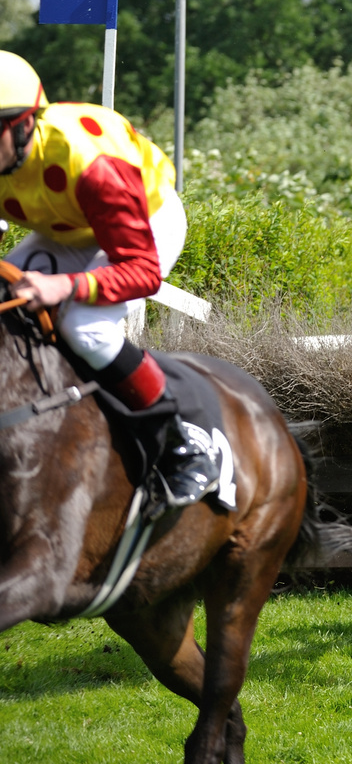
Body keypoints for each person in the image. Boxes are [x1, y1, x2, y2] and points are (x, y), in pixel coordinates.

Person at [0, 51, 221, 511]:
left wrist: (64, 287)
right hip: (66, 225)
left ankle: (183, 442)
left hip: (146, 221)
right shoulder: (10, 150)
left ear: (23, 125)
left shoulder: (91, 164)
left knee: (85, 325)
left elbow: (139, 273)